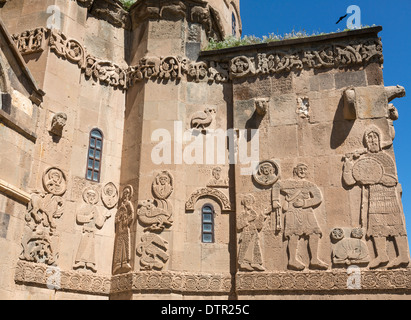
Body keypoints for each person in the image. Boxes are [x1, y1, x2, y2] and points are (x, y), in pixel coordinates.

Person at [343, 126, 409, 269]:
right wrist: (347, 164)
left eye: (374, 137)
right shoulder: (364, 159)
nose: (372, 140)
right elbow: (350, 180)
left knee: (395, 225)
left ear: (379, 139)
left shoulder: (386, 158)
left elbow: (392, 179)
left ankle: (403, 255)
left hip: (388, 197)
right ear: (366, 141)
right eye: (369, 138)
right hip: (373, 198)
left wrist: (377, 177)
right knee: (376, 226)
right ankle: (382, 255)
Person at [272, 164, 328, 271]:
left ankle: (314, 259)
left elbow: (318, 197)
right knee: (293, 234)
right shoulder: (288, 183)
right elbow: (276, 186)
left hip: (307, 211)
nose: (303, 171)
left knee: (314, 233)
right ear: (295, 171)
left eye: (305, 170)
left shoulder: (308, 184)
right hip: (292, 211)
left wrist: (305, 202)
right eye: (300, 169)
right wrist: (275, 200)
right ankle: (292, 260)